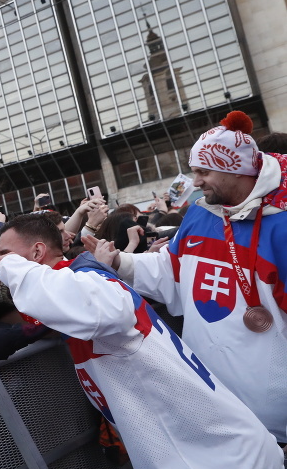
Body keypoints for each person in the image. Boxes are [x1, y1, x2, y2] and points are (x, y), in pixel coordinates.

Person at [0, 215, 286, 469]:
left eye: (4, 255)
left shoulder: (90, 285)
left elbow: (94, 305)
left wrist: (11, 267)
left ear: (36, 253)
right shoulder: (77, 288)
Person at [98, 111, 287, 444]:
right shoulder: (200, 212)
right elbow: (172, 272)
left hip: (276, 414)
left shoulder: (282, 226)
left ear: (236, 169)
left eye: (203, 171)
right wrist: (121, 262)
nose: (195, 182)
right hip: (217, 402)